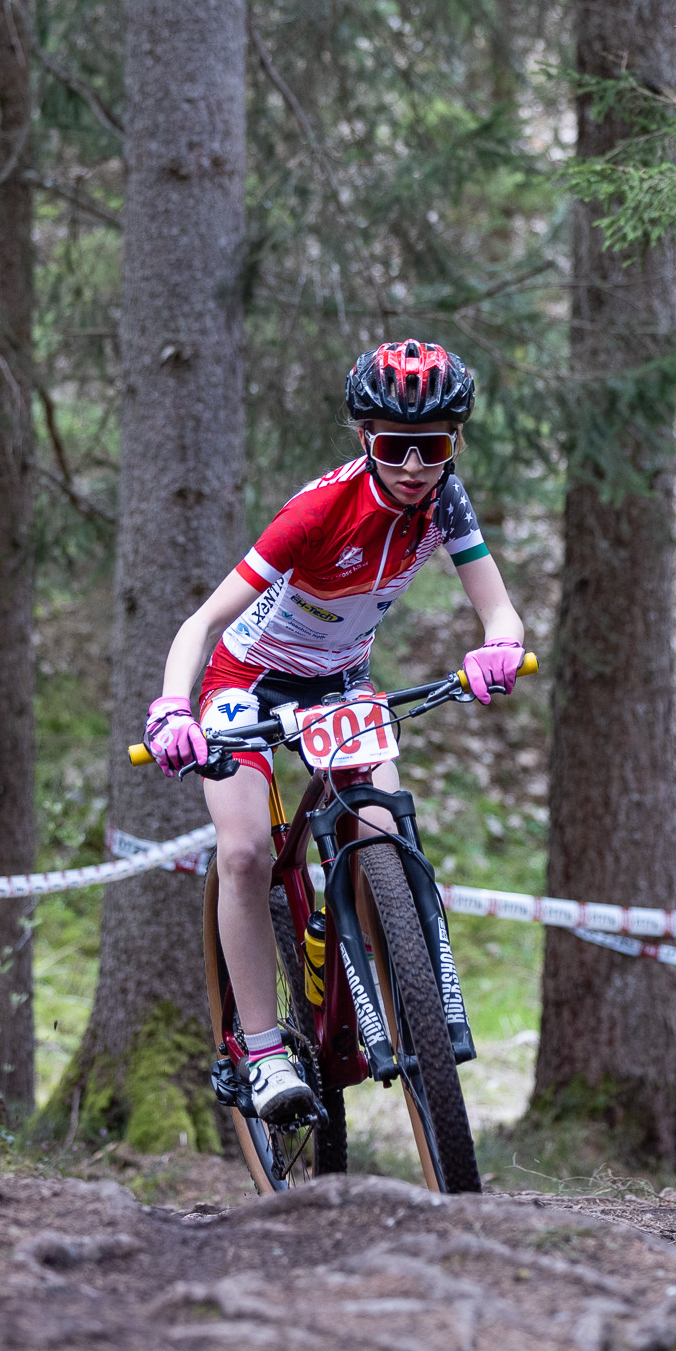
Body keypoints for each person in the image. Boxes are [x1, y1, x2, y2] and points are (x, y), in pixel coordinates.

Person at [141, 340, 526, 1124]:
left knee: (386, 828)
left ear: (454, 442)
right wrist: (173, 709)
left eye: (433, 446)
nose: (414, 466)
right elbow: (200, 623)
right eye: (394, 445)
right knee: (244, 852)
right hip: (246, 680)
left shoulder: (446, 503)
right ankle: (261, 1050)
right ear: (364, 437)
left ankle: (397, 979)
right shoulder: (319, 510)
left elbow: (499, 609)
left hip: (343, 682)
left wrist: (499, 647)